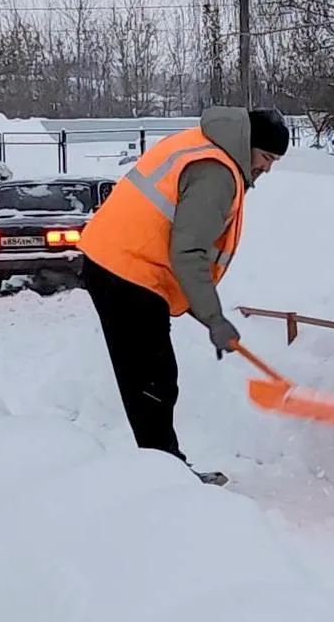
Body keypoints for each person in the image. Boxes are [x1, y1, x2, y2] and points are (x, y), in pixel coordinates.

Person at [75, 106, 288, 485]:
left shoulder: (203, 147)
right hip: (127, 272)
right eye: (267, 157)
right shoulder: (217, 172)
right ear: (248, 144)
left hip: (120, 264)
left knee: (151, 377)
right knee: (152, 380)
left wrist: (202, 310)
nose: (267, 168)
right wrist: (214, 318)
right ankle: (165, 479)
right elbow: (188, 252)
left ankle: (163, 470)